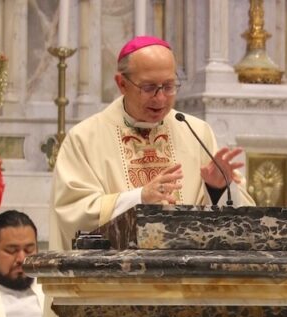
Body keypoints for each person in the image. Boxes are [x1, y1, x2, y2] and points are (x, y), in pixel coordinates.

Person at [49, 35, 254, 250]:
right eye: (148, 88)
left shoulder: (196, 132)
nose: (160, 98)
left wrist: (217, 188)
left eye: (168, 86)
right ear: (122, 84)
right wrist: (140, 198)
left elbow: (240, 223)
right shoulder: (85, 138)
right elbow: (72, 213)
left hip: (186, 278)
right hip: (114, 280)